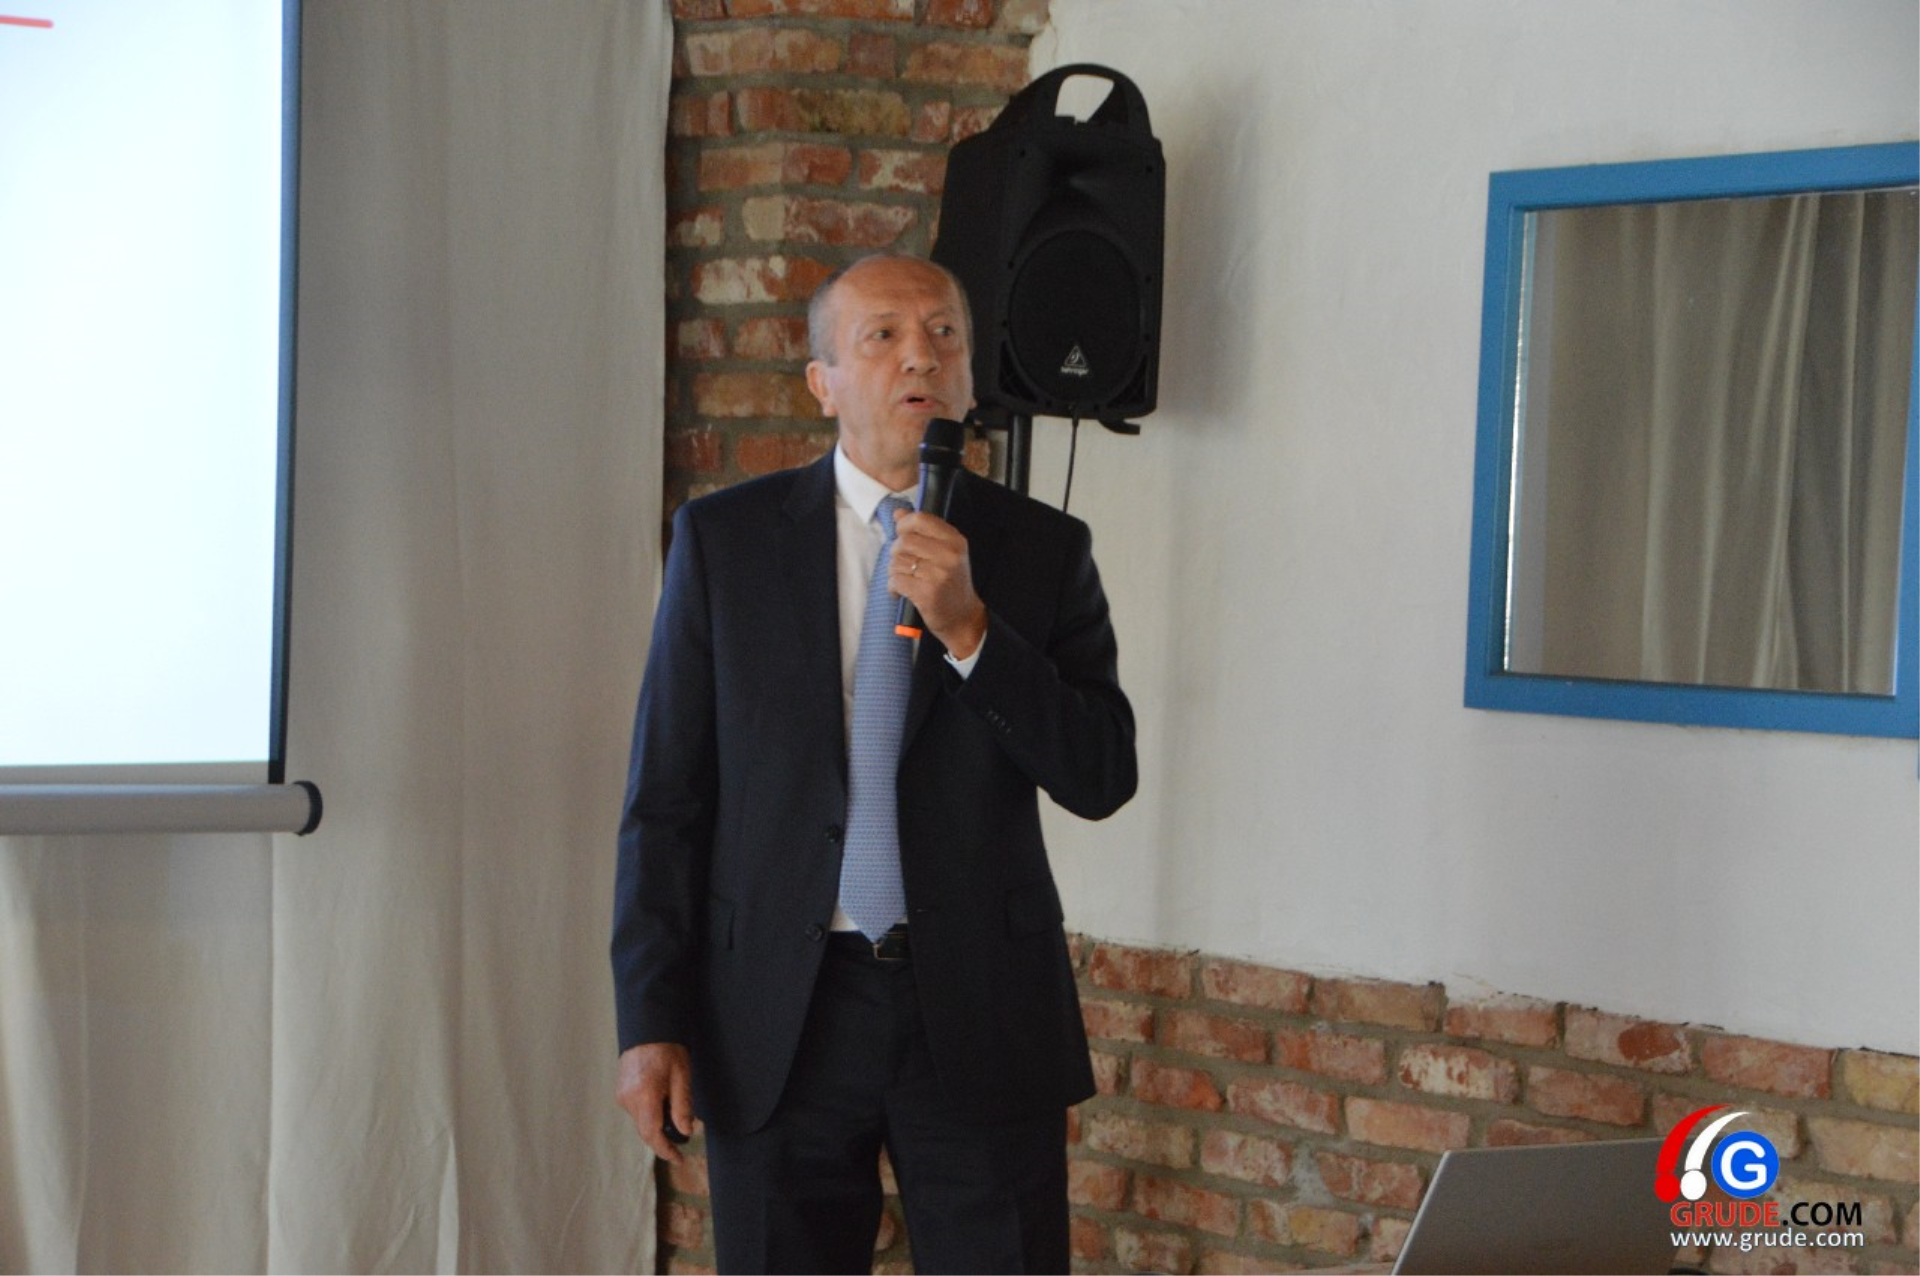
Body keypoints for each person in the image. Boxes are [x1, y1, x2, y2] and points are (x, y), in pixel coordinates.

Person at [611, 252, 1136, 1275]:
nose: (920, 358)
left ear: (971, 376)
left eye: (944, 334)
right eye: (883, 336)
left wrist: (973, 632)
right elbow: (667, 799)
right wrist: (650, 1021)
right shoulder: (725, 542)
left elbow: (1101, 772)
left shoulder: (1044, 550)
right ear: (824, 381)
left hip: (979, 1008)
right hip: (779, 1009)